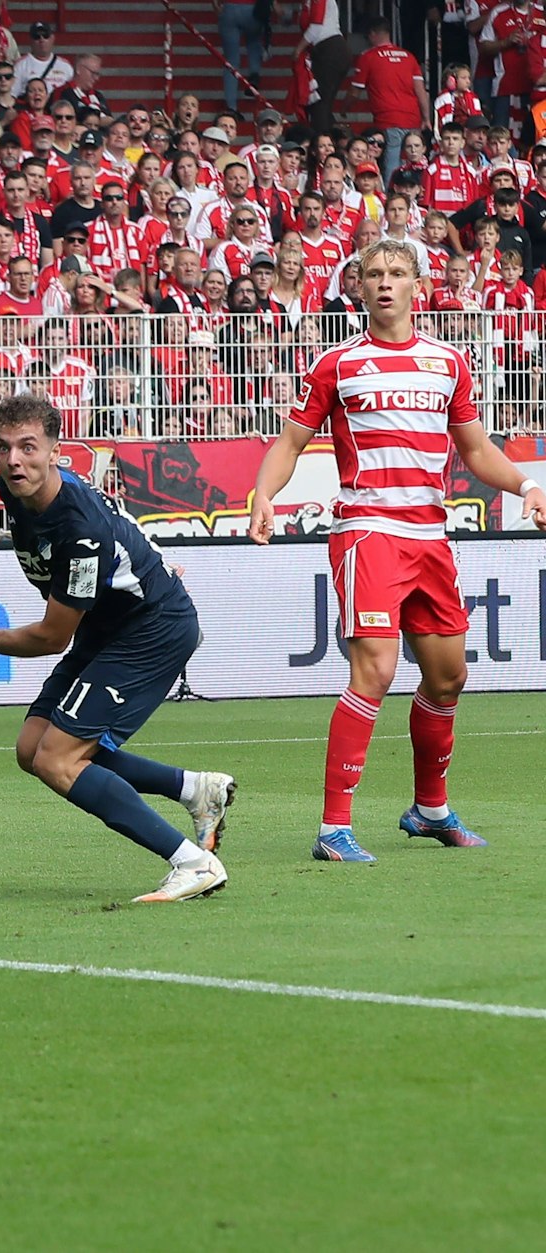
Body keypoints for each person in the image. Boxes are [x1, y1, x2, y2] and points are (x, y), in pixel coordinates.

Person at [250, 237, 546, 863]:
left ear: (419, 285)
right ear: (358, 287)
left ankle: (429, 810)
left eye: (397, 273)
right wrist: (262, 494)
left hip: (430, 537)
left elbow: (476, 451)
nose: (385, 282)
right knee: (376, 671)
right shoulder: (338, 364)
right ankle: (334, 828)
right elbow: (289, 444)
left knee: (448, 677)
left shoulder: (449, 363)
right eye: (373, 274)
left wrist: (527, 482)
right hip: (368, 532)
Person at [0, 394, 234, 903]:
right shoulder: (16, 490)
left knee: (59, 760)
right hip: (107, 626)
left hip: (150, 631)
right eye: (4, 447)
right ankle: (195, 789)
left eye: (29, 447)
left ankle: (192, 862)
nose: (14, 460)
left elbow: (54, 636)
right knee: (32, 750)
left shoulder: (79, 530)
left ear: (56, 452)